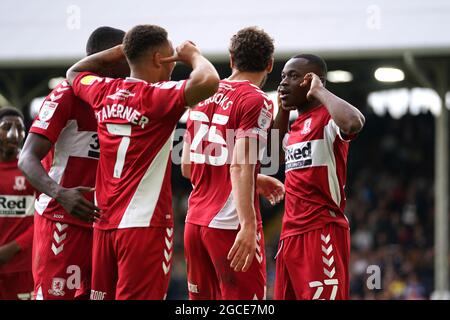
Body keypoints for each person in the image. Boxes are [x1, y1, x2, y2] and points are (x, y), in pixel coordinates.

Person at [66, 24, 219, 300]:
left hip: (104, 226)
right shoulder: (158, 96)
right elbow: (209, 81)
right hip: (144, 226)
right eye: (171, 57)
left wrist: (117, 53)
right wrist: (194, 55)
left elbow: (74, 72)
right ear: (159, 59)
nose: (174, 64)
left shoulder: (103, 91)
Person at [18, 27, 127, 300]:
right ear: (110, 58)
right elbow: (27, 157)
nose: (133, 62)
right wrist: (60, 194)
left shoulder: (124, 98)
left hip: (103, 225)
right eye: (127, 54)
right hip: (62, 221)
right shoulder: (66, 94)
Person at [181, 26, 284, 300]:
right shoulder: (256, 100)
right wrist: (248, 225)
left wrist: (254, 178)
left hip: (194, 222)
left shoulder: (200, 95)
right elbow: (239, 165)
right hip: (229, 224)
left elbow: (188, 167)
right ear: (270, 64)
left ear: (231, 59)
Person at [273, 54, 365, 300]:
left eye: (292, 76)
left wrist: (320, 91)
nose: (283, 83)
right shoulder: (293, 128)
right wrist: (282, 109)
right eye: (282, 76)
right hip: (289, 236)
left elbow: (354, 123)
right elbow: (270, 157)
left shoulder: (327, 120)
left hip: (321, 231)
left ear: (312, 80)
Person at [0, 107, 35, 300]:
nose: (14, 134)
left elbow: (41, 217)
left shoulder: (31, 168)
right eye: (6, 127)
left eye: (19, 128)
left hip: (22, 266)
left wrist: (12, 248)